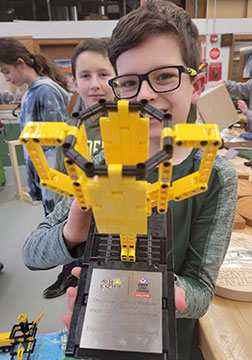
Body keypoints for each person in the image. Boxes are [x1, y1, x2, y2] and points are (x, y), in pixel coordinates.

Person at [22, 2, 238, 359]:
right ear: (118, 90)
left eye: (165, 76)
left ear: (197, 84)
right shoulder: (102, 165)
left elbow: (200, 291)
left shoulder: (214, 175)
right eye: (128, 82)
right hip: (99, 332)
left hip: (165, 339)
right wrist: (75, 228)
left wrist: (148, 290)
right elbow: (31, 253)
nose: (145, 95)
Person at [42, 38, 116, 299]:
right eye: (85, 75)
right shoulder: (70, 131)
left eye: (104, 74)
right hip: (78, 218)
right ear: (75, 82)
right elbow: (62, 180)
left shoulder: (128, 126)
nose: (94, 84)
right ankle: (68, 271)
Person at [0, 38, 71, 216]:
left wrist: (52, 183)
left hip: (54, 176)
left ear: (20, 63)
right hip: (42, 172)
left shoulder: (45, 91)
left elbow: (57, 144)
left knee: (57, 220)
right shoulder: (30, 92)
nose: (7, 78)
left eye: (6, 71)